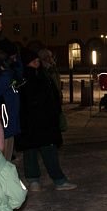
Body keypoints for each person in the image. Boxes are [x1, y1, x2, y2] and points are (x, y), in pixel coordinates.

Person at [15, 48, 76, 191]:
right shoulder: (24, 78)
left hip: (44, 120)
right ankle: (38, 180)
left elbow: (52, 95)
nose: (37, 63)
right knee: (34, 150)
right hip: (33, 121)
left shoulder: (43, 75)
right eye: (33, 61)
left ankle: (51, 179)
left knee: (45, 149)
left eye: (37, 61)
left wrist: (56, 112)